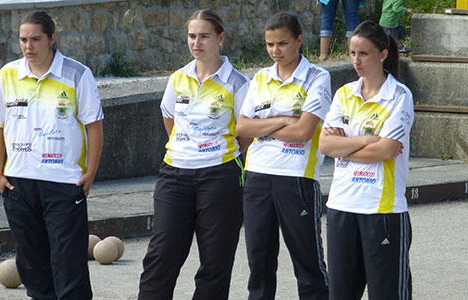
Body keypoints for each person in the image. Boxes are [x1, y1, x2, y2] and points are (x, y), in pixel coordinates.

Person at [0, 11, 103, 300]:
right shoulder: (7, 75)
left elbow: (94, 128)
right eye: (23, 39)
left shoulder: (77, 74)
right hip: (18, 184)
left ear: (52, 39)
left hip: (64, 183)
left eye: (36, 39)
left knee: (68, 261)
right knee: (32, 261)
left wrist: (91, 173)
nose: (28, 46)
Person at [138, 9, 251, 300]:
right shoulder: (178, 78)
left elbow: (246, 133)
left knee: (215, 262)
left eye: (204, 36)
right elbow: (169, 118)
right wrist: (187, 148)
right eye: (191, 36)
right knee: (161, 257)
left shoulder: (238, 83)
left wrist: (216, 153)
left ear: (220, 38)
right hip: (174, 175)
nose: (196, 42)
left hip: (220, 175)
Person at [236, 12, 330, 300]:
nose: (275, 51)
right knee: (259, 263)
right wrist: (284, 120)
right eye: (269, 44)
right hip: (258, 176)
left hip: (296, 177)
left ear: (299, 41)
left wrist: (266, 126)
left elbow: (303, 132)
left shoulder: (318, 77)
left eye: (282, 44)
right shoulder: (260, 78)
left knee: (308, 263)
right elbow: (242, 127)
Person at [319, 20, 414, 300]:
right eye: (352, 53)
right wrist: (365, 140)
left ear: (382, 55)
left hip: (381, 209)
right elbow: (325, 145)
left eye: (364, 54)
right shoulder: (344, 93)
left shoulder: (399, 96)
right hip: (341, 205)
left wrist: (344, 145)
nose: (356, 61)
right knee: (340, 293)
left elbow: (385, 151)